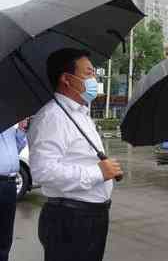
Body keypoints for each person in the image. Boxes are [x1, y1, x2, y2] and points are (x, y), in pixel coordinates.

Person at [28, 48, 123, 261]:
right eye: (88, 73)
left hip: (92, 216)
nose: (94, 79)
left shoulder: (80, 113)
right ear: (66, 79)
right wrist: (97, 173)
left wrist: (104, 168)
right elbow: (43, 171)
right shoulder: (52, 117)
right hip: (70, 219)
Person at [0, 121, 28, 261]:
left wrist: (21, 131)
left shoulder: (9, 125)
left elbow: (15, 149)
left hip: (10, 185)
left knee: (6, 235)